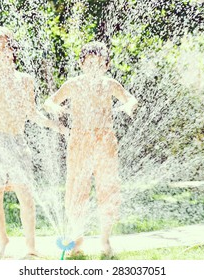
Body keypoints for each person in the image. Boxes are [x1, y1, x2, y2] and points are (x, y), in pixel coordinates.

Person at [0, 26, 67, 259]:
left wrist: (57, 127)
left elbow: (31, 113)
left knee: (26, 194)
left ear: (13, 52)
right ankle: (2, 242)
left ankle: (30, 247)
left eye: (7, 48)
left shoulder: (25, 80)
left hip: (16, 140)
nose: (3, 53)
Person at [44, 41, 138, 256]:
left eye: (99, 64)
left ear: (106, 65)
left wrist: (128, 105)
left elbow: (130, 98)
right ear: (81, 64)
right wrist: (55, 108)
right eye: (89, 63)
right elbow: (49, 101)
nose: (94, 68)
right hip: (79, 141)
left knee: (107, 188)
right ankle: (77, 242)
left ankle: (105, 241)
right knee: (77, 190)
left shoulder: (110, 84)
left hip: (104, 140)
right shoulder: (73, 84)